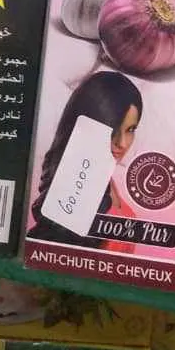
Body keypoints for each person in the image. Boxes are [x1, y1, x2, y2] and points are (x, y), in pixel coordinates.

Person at [28, 70, 143, 248]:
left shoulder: (106, 180)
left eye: (130, 130)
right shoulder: (73, 190)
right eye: (112, 128)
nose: (122, 143)